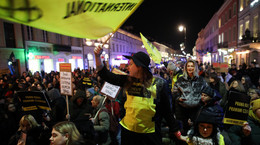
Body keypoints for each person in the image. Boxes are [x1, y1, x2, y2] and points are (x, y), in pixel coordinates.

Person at [94, 46, 185, 145]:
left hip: (150, 134)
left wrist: (175, 129)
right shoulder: (126, 80)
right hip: (129, 133)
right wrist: (97, 56)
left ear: (139, 67)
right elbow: (105, 74)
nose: (127, 67)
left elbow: (166, 110)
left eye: (131, 64)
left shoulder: (159, 83)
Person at [172, 59, 208, 135]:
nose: (190, 68)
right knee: (184, 131)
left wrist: (203, 99)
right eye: (188, 66)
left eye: (192, 66)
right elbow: (174, 92)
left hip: (197, 109)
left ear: (195, 68)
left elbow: (206, 91)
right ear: (185, 68)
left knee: (196, 130)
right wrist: (178, 98)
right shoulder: (180, 80)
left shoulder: (201, 80)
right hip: (183, 110)